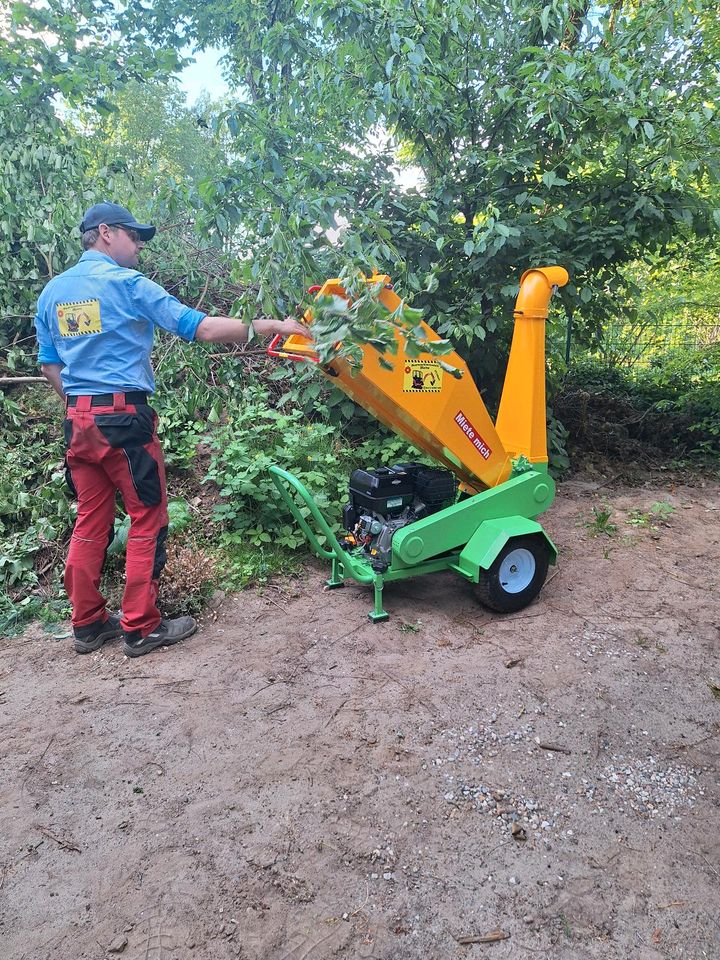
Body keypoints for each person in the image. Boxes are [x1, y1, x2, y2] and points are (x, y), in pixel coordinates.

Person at [34, 202, 308, 658]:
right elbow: (199, 328)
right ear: (105, 233)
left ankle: (87, 624)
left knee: (90, 520)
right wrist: (275, 325)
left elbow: (48, 364)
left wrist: (81, 404)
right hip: (123, 421)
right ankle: (141, 627)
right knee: (147, 517)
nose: (139, 244)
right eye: (133, 235)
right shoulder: (126, 284)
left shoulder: (52, 293)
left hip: (78, 421)